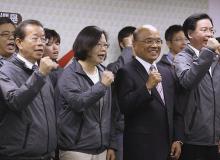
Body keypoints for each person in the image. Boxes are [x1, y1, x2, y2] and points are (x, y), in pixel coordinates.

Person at [115, 25, 183, 160]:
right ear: (134, 44)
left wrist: (177, 139)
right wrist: (147, 87)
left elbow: (176, 109)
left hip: (168, 147)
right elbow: (125, 107)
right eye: (148, 41)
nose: (154, 45)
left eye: (158, 41)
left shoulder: (167, 72)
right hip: (141, 149)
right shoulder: (126, 71)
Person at [0, 19, 58, 160]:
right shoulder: (4, 70)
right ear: (19, 42)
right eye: (35, 38)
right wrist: (40, 74)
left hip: (47, 154)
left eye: (43, 39)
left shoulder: (41, 70)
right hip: (19, 155)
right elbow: (15, 101)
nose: (40, 43)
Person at [56, 26, 116, 160]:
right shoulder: (69, 74)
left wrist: (111, 144)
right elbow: (78, 103)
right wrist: (102, 86)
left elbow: (110, 112)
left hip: (102, 149)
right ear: (85, 45)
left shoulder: (104, 73)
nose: (103, 49)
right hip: (76, 150)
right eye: (98, 44)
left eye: (105, 45)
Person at [174, 13, 220, 160]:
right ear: (190, 34)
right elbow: (188, 81)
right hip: (192, 139)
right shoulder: (182, 58)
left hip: (215, 138)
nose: (210, 34)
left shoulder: (215, 58)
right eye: (204, 30)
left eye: (212, 30)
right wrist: (208, 52)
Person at [107, 26, 136, 160]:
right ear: (121, 44)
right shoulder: (112, 67)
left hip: (143, 130)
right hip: (121, 130)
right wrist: (129, 48)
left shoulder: (147, 67)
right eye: (131, 40)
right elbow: (119, 71)